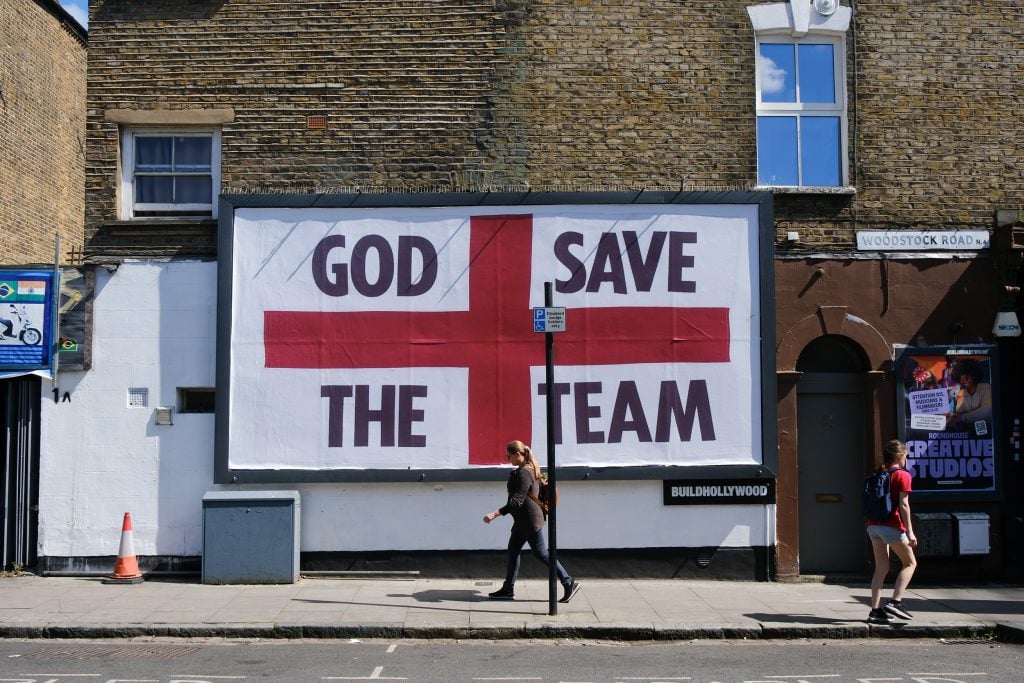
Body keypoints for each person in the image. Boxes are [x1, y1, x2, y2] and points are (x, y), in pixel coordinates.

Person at [482, 440, 581, 603]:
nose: (507, 458)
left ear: (518, 454)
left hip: (529, 521)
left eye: (509, 455)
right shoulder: (524, 469)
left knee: (541, 553)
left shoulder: (524, 472)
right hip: (522, 520)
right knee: (513, 551)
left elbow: (517, 501)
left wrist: (495, 513)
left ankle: (568, 581)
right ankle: (508, 589)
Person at [865, 439, 917, 625]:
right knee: (910, 563)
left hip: (873, 526)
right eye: (905, 455)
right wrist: (910, 531)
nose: (907, 459)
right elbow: (904, 504)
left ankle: (875, 612)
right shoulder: (902, 475)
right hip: (891, 525)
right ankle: (895, 602)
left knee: (881, 569)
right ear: (899, 456)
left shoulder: (878, 473)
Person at [947, 358, 992, 433]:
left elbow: (987, 411)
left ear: (973, 376)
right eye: (960, 379)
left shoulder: (986, 388)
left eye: (966, 378)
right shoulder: (958, 393)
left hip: (986, 434)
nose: (963, 381)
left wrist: (961, 418)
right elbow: (951, 411)